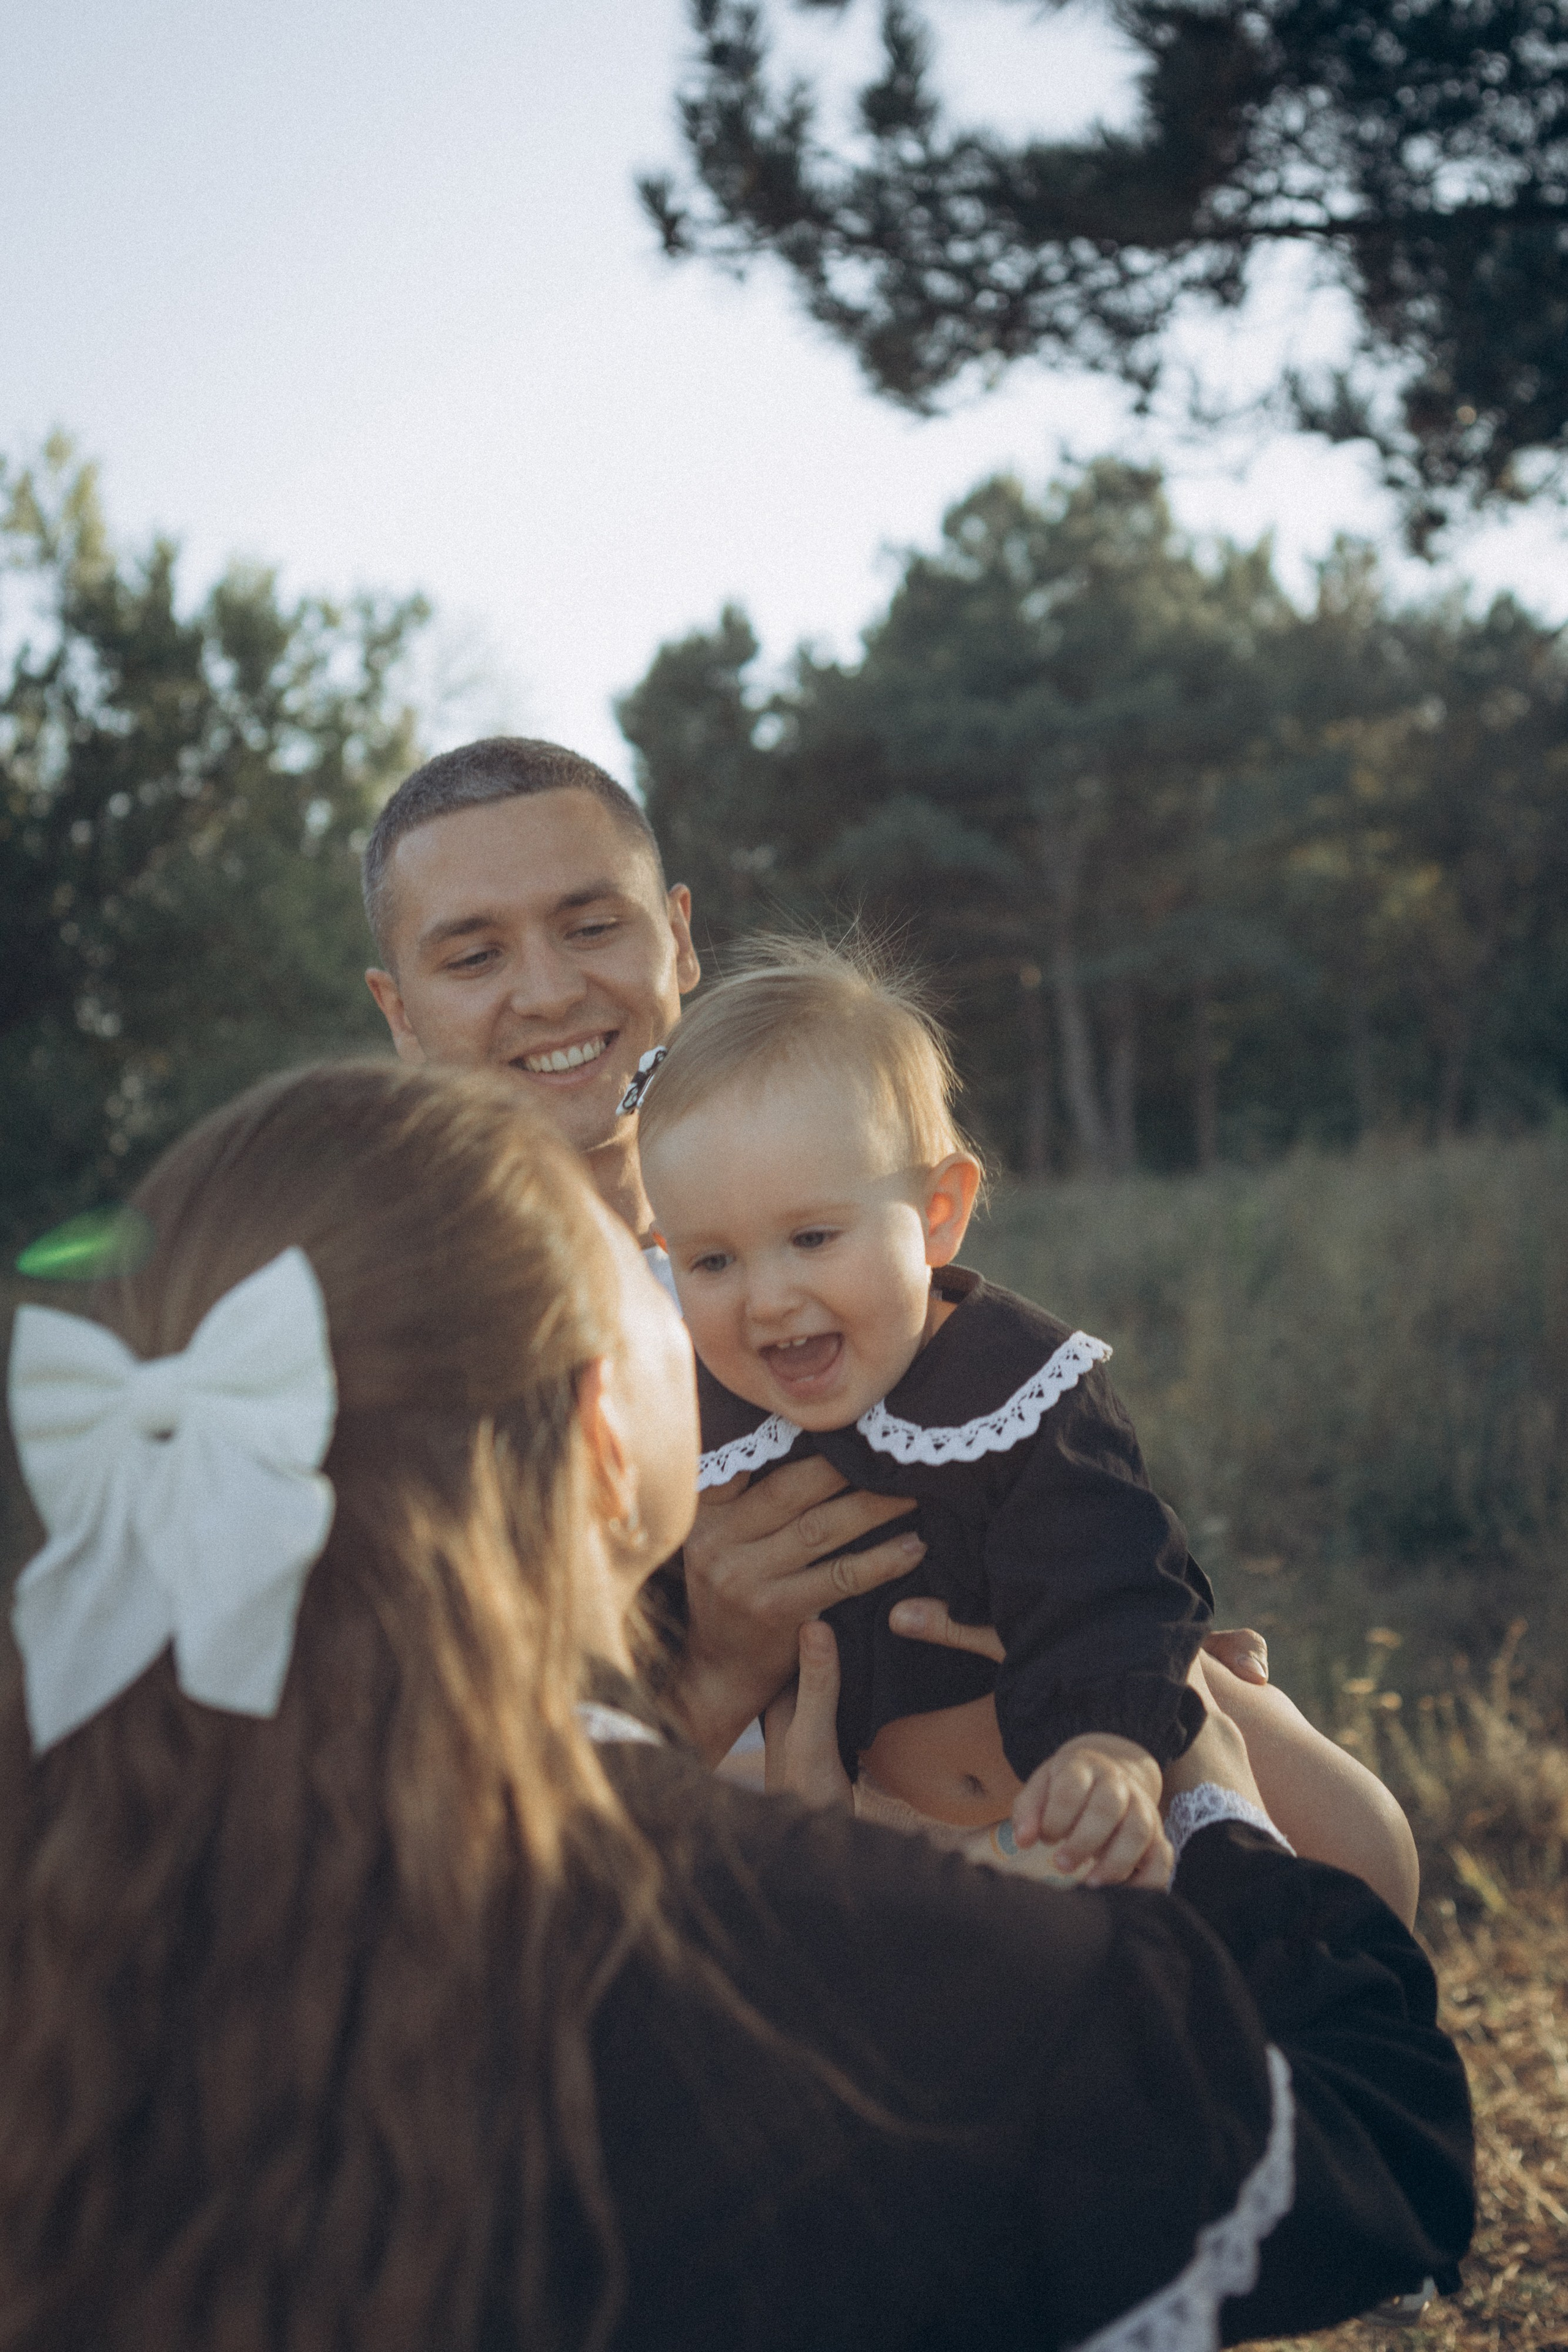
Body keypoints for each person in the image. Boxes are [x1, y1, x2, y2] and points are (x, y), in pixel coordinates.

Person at [2, 1062, 1472, 2351]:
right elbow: (1379, 2155)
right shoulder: (874, 1954)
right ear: (600, 1429)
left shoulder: (80, 1877)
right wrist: (1200, 1779)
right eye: (662, 1268)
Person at [356, 738, 1292, 1790]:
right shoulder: (384, 1369)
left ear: (678, 937)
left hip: (1034, 1753)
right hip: (727, 1843)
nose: (546, 990)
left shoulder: (827, 1221)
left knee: (1351, 1834)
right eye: (474, 957)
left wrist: (1129, 1629)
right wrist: (716, 1673)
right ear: (400, 1013)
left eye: (591, 927)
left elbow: (1039, 1514)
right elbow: (445, 1810)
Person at [637, 938, 1418, 1915]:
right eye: (713, 1262)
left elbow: (1118, 1584)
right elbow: (657, 1626)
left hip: (1085, 1785)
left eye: (812, 1238)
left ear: (937, 1214)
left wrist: (1114, 1746)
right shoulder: (706, 1425)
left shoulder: (1014, 1385)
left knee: (1346, 1878)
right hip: (900, 1828)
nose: (768, 1299)